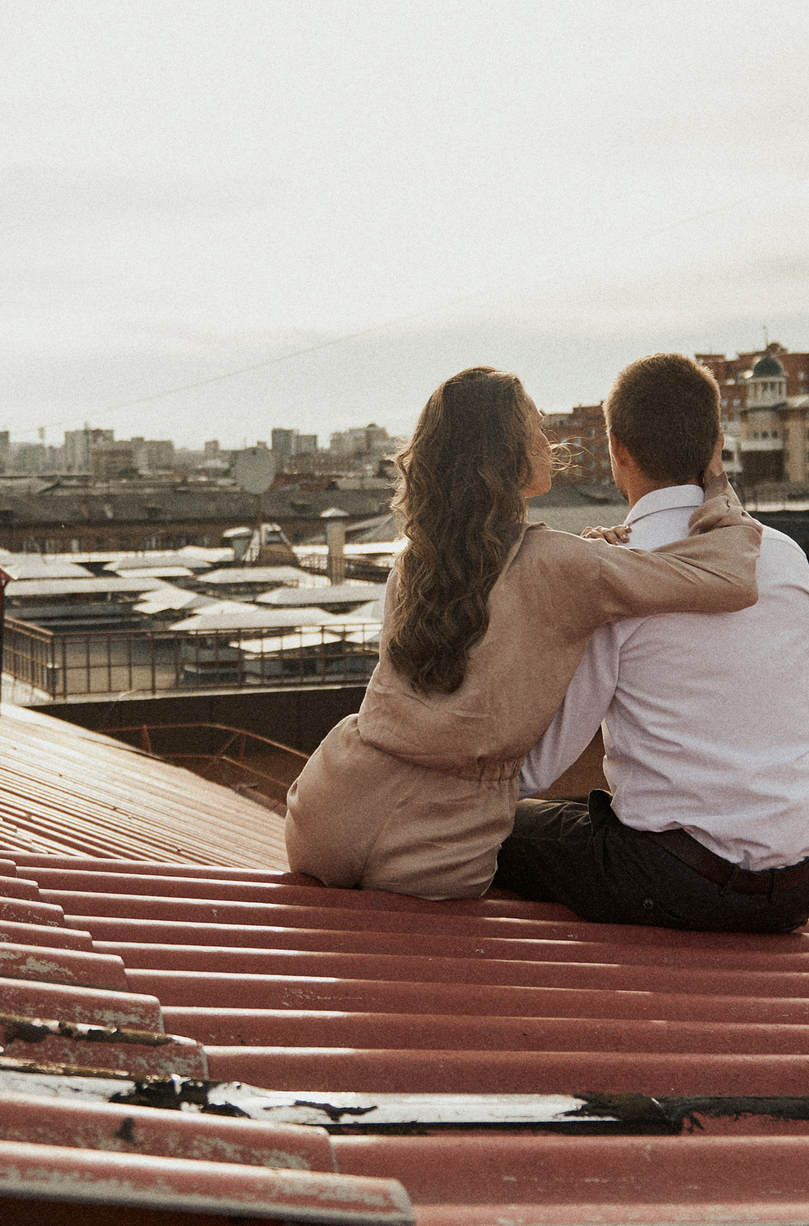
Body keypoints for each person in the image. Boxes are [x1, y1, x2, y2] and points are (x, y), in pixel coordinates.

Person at [283, 365, 765, 901]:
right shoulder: (565, 565)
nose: (547, 439)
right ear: (505, 451)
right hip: (442, 840)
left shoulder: (415, 563)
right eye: (535, 425)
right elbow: (732, 579)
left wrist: (589, 558)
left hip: (330, 807)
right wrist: (717, 486)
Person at [494, 352, 809, 931]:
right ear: (716, 445)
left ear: (617, 448)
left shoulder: (615, 573)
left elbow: (539, 767)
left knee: (497, 830)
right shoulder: (786, 558)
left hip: (674, 882)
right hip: (797, 886)